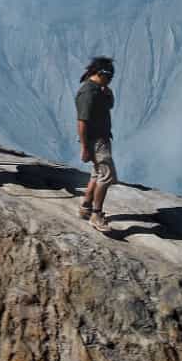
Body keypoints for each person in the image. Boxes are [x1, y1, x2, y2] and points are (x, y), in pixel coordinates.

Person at [76, 56, 117, 232]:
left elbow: (109, 106)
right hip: (96, 140)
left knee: (97, 173)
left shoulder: (99, 89)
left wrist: (108, 93)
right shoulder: (88, 93)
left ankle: (86, 205)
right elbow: (82, 122)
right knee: (106, 176)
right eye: (110, 77)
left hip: (101, 139)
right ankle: (96, 214)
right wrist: (85, 148)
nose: (111, 80)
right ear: (101, 74)